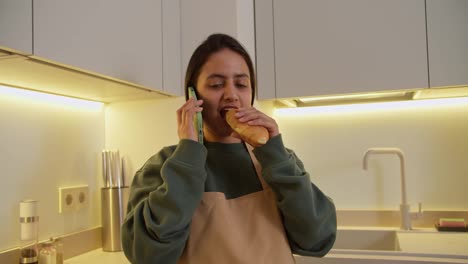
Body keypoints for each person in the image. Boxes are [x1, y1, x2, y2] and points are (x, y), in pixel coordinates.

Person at [121, 33, 337, 264]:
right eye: (216, 85)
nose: (232, 95)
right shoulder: (164, 165)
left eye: (242, 84)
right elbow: (146, 255)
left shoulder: (277, 160)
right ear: (193, 97)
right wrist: (188, 155)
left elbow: (318, 240)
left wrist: (276, 155)